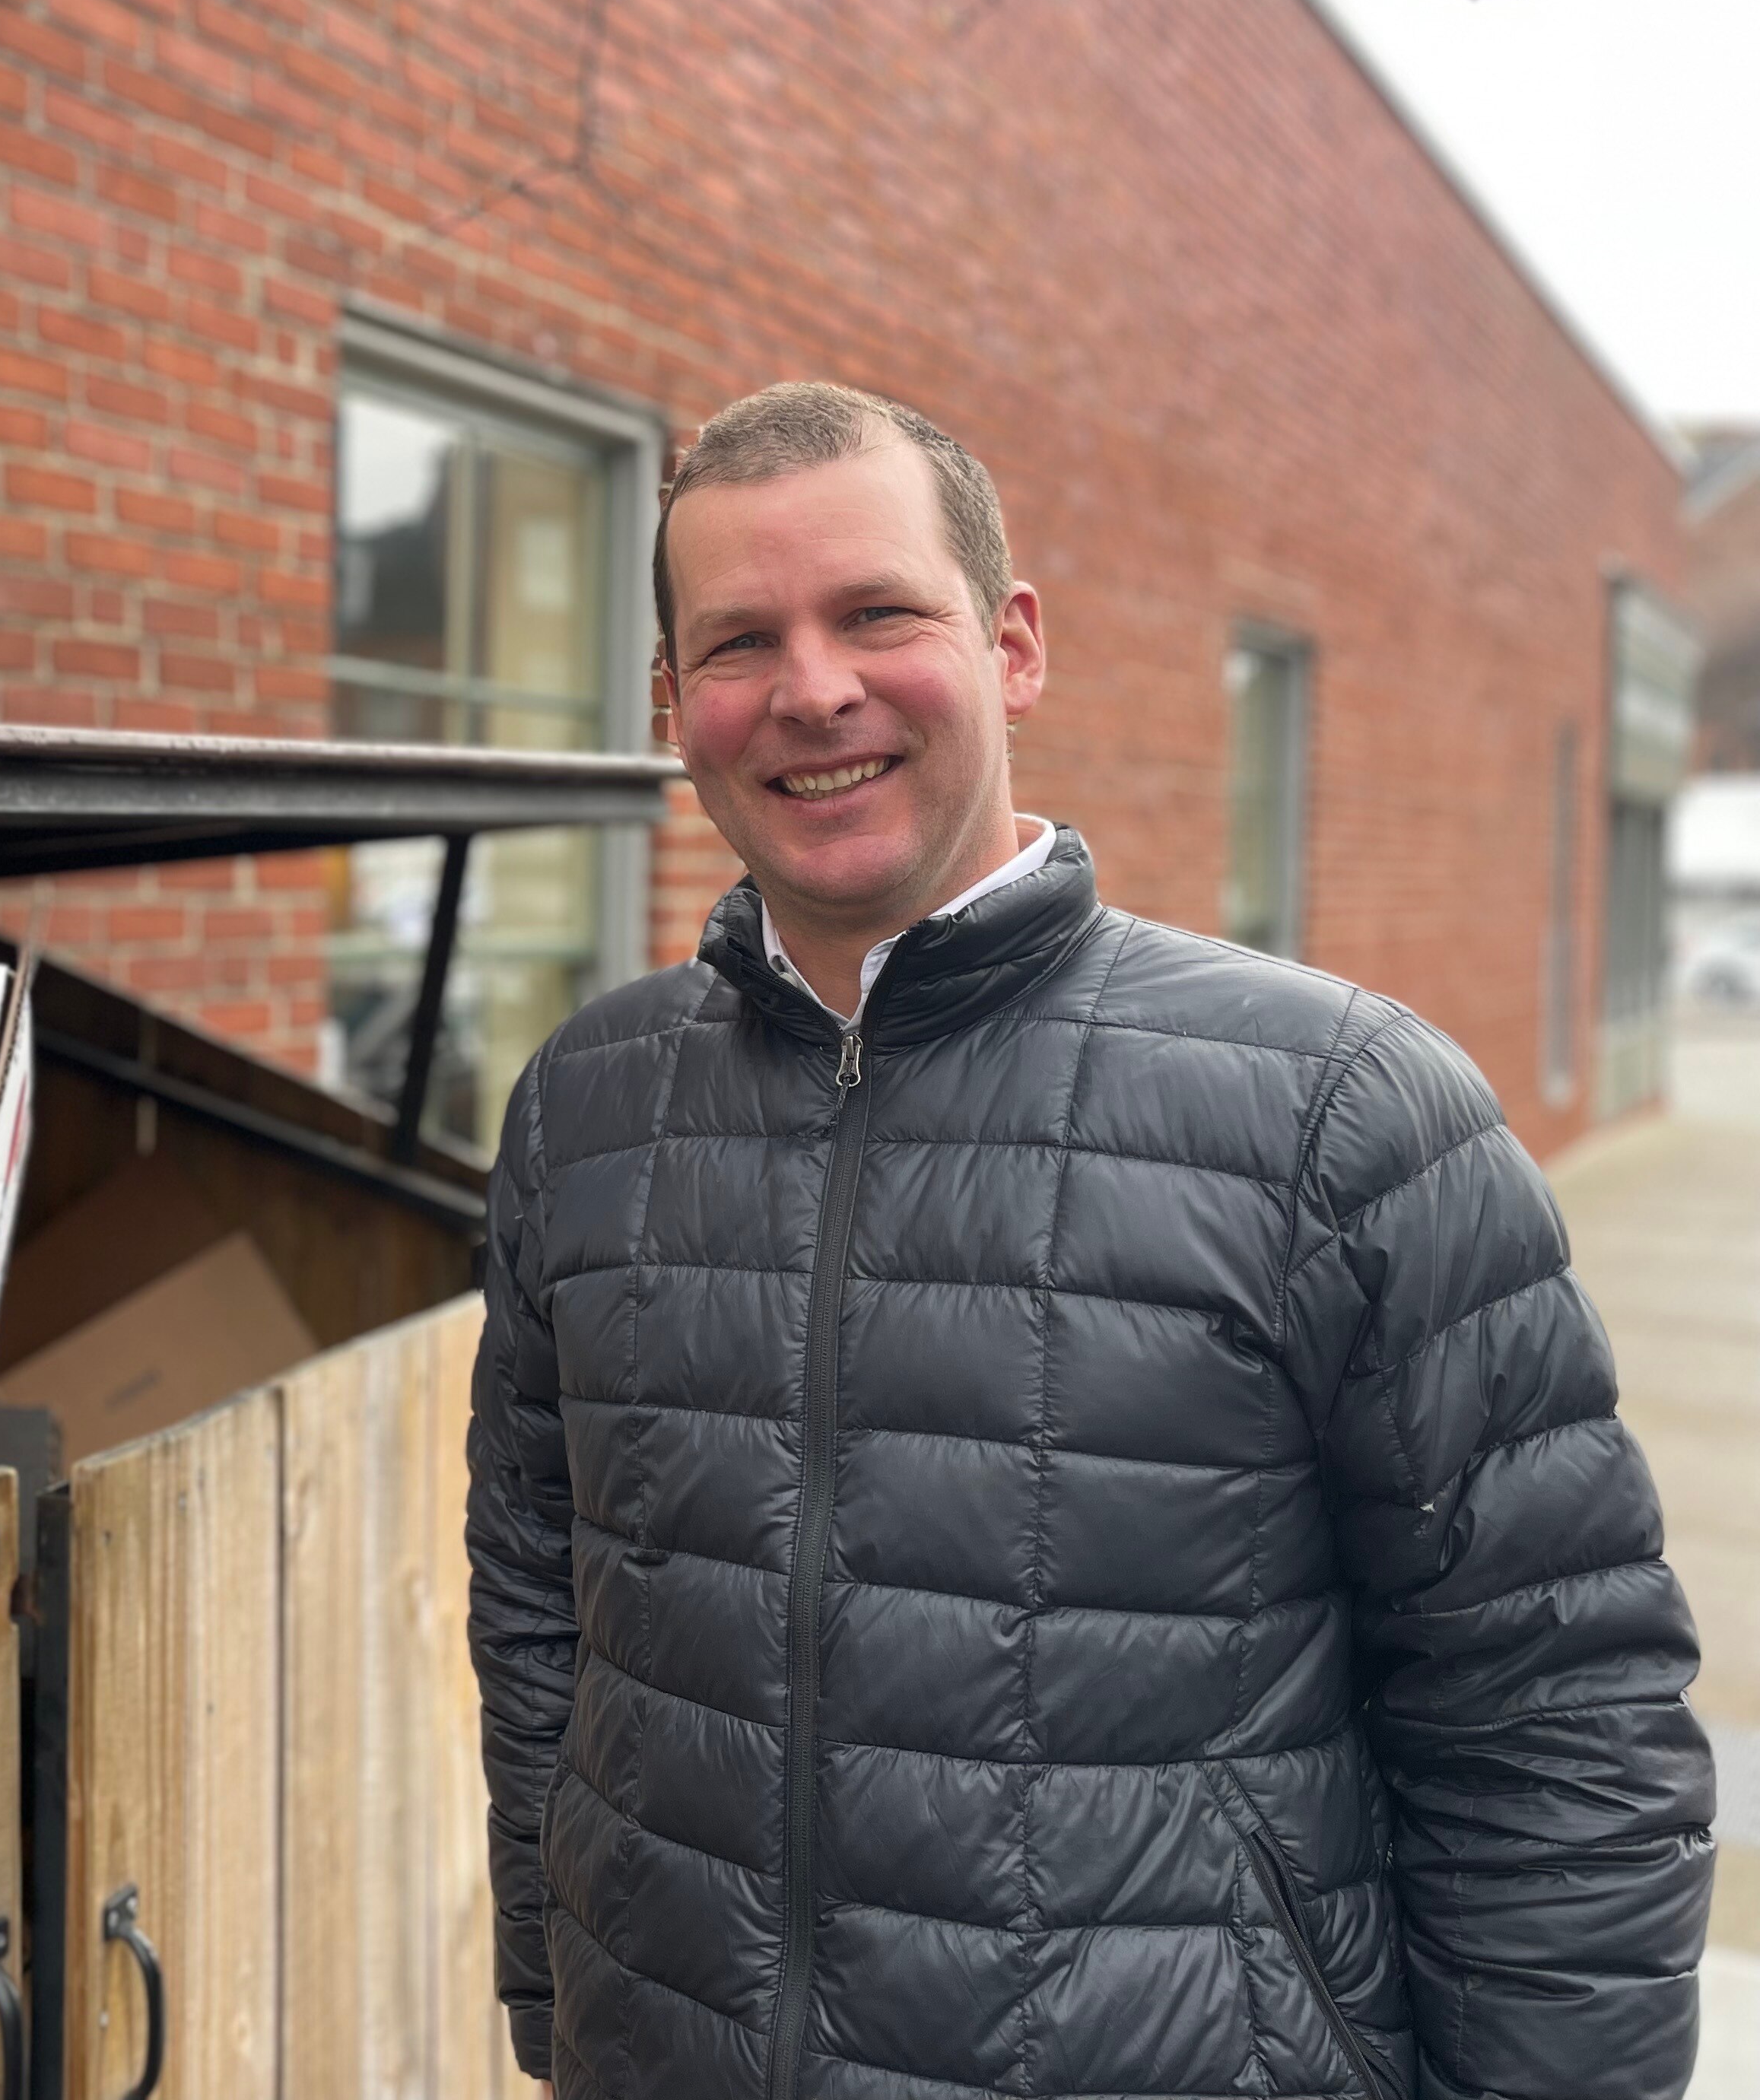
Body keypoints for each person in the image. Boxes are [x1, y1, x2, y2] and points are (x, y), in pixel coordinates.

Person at [465, 381, 1714, 2100]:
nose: (813, 688)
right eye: (741, 641)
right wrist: (565, 2004)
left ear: (1014, 644)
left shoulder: (1344, 1113)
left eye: (878, 614)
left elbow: (1553, 1711)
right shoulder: (584, 1109)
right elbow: (543, 1606)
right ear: (677, 701)